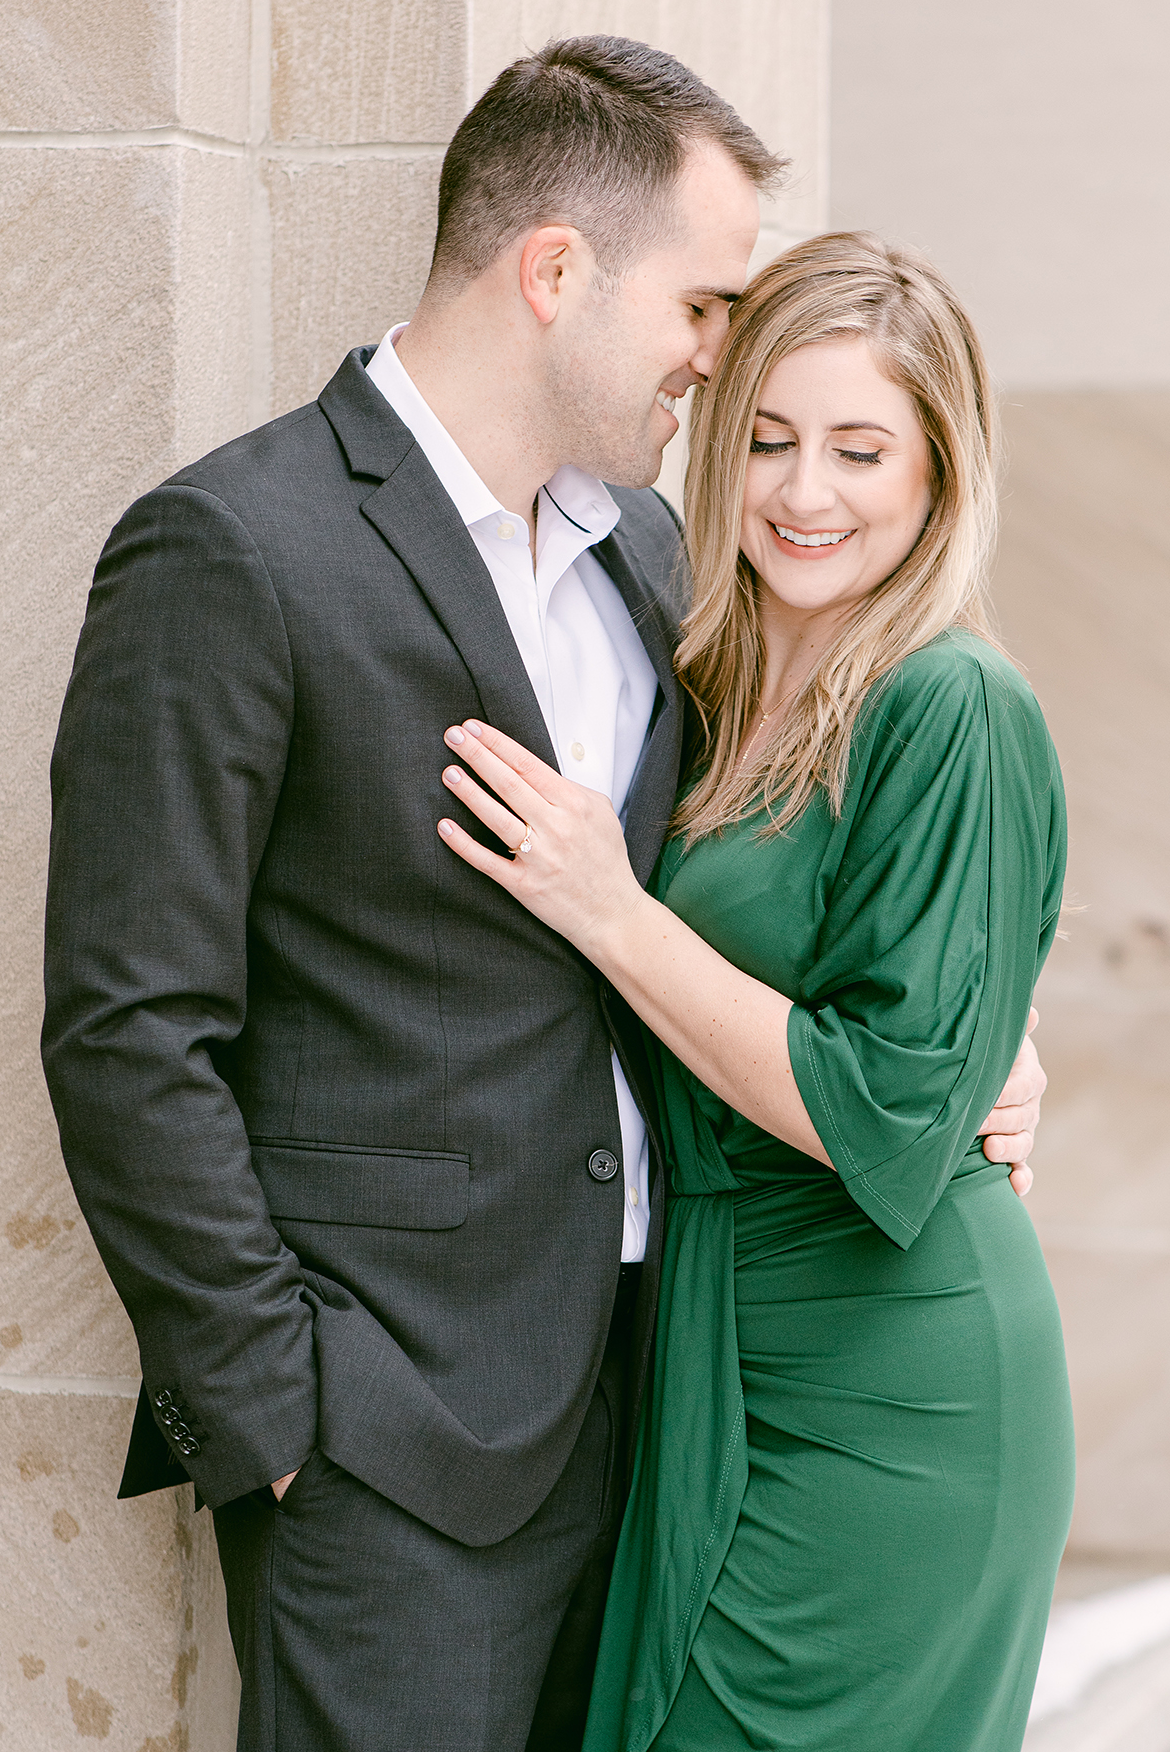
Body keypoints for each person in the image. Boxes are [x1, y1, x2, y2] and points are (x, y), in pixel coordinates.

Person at [41, 43, 1048, 1752]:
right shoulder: (237, 546)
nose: (722, 358)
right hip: (391, 1435)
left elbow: (793, 875)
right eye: (706, 304)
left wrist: (980, 1033)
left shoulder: (658, 557)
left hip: (675, 1402)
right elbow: (130, 1023)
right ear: (557, 270)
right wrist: (273, 1405)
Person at [433, 230, 1075, 1752]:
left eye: (861, 450)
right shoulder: (701, 673)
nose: (805, 492)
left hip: (891, 1387)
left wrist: (612, 910)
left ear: (936, 471)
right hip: (715, 1342)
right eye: (772, 440)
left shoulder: (947, 698)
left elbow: (888, 1112)